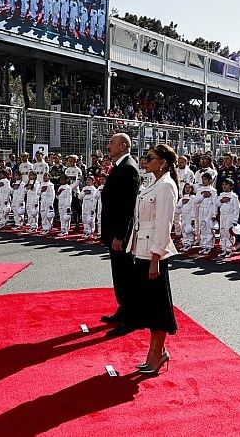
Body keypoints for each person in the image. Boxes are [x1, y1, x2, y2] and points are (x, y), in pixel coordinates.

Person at [128, 144, 179, 374]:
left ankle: (157, 354)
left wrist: (156, 258)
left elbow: (163, 225)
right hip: (143, 250)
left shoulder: (166, 185)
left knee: (158, 307)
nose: (145, 161)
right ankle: (156, 352)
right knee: (150, 306)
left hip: (153, 253)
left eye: (150, 158)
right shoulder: (153, 183)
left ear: (163, 162)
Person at [99, 133, 141, 337]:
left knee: (125, 274)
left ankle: (131, 317)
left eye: (112, 143)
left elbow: (127, 206)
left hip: (120, 234)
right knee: (119, 273)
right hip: (113, 231)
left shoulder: (128, 168)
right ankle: (124, 309)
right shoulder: (120, 166)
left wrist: (120, 236)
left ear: (123, 146)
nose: (108, 146)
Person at [195, 172, 218, 255]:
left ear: (210, 180)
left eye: (205, 179)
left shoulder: (213, 191)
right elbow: (196, 201)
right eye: (203, 179)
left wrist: (214, 214)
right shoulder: (199, 190)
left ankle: (209, 245)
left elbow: (215, 203)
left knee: (209, 228)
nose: (203, 181)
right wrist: (203, 196)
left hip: (209, 210)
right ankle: (203, 245)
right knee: (202, 227)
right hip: (202, 210)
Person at [217, 178, 240, 260]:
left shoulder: (234, 196)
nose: (224, 186)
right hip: (222, 215)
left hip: (230, 216)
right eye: (223, 184)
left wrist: (235, 220)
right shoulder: (221, 195)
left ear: (231, 186)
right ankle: (223, 248)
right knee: (222, 231)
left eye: (226, 185)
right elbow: (217, 204)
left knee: (228, 232)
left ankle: (229, 249)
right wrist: (221, 201)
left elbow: (236, 208)